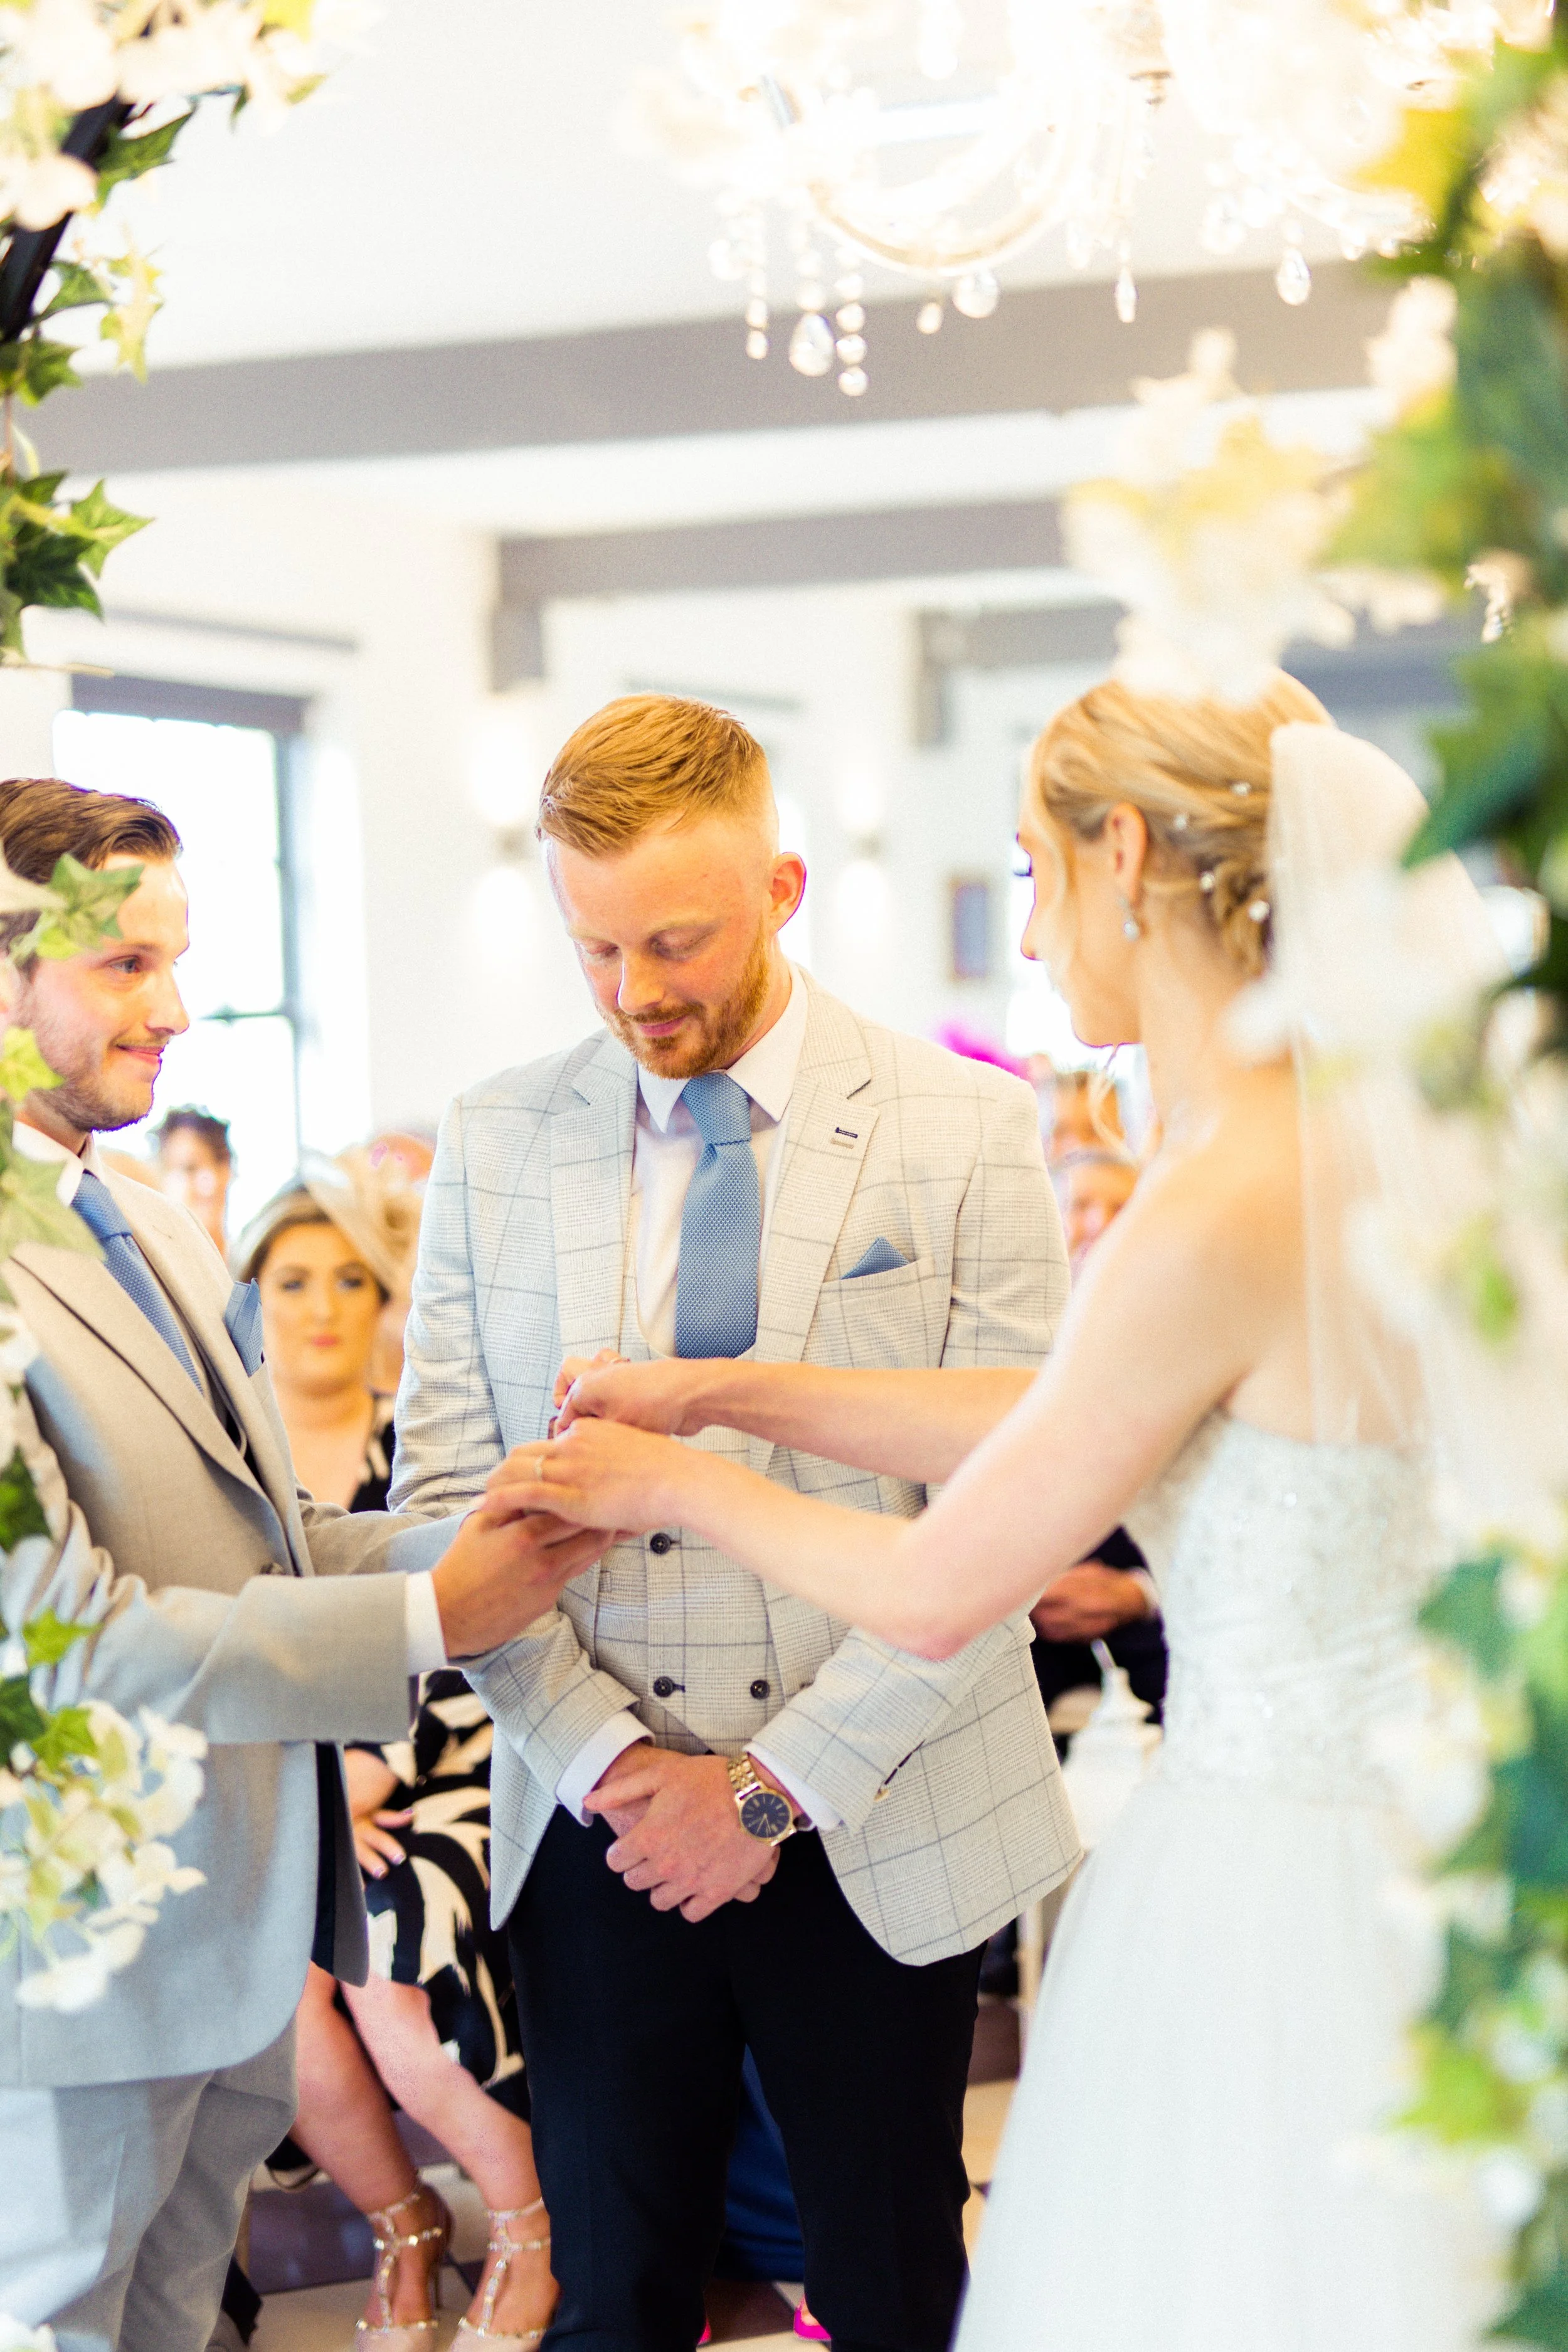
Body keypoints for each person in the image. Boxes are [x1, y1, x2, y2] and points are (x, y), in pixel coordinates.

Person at [495, 677, 1502, 2349]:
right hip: (1370, 1811)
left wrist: (673, 1476)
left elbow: (940, 1576)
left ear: (1122, 851)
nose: (1027, 935)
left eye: (1032, 870)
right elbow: (1060, 1419)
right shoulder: (1294, 1137)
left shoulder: (1226, 1185)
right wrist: (726, 1388)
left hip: (1279, 1858)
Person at [389, 694, 1079, 2352]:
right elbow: (440, 1491)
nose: (637, 992)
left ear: (781, 885)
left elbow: (1009, 1505)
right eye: (596, 948)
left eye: (676, 939)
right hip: (596, 1814)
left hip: (879, 1800)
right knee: (611, 2282)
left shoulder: (964, 1127)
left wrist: (770, 1791)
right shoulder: (493, 1134)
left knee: (892, 2270)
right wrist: (622, 1772)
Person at [0, 776, 608, 2352]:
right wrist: (424, 1615)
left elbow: (261, 1527)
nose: (177, 1008)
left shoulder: (136, 1206)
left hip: (239, 1925)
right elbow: (54, 1626)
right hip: (70, 1955)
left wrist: (499, 1530)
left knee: (182, 2324)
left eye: (176, 959)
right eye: (125, 966)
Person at [233, 1172, 556, 2351]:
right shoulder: (232, 1466)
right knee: (283, 1975)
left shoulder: (417, 1449)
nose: (322, 1307)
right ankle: (405, 2223)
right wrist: (314, 1791)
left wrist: (360, 1777)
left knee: (379, 1944)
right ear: (246, 1299)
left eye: (351, 1281)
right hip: (284, 1781)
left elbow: (471, 1625)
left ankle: (530, 2227)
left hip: (451, 1761)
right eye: (292, 1282)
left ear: (386, 1302)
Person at [154, 1106, 235, 1257]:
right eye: (189, 1168)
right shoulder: (149, 1270)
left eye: (220, 1162)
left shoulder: (254, 1262)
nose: (211, 1184)